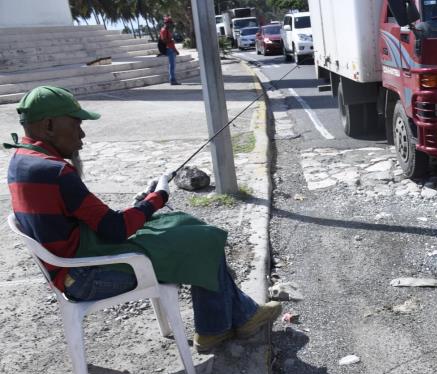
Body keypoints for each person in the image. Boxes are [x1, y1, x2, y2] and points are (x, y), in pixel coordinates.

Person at [5, 85, 282, 352]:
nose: (82, 134)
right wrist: (159, 196)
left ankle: (238, 318)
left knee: (187, 226)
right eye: (75, 124)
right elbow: (115, 229)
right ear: (49, 125)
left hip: (72, 263)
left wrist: (142, 204)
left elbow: (86, 216)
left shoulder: (23, 159)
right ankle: (216, 328)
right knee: (203, 239)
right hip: (86, 276)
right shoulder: (54, 172)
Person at [159, 15, 180, 85]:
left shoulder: (166, 30)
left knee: (172, 65)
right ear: (167, 23)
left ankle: (173, 79)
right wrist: (171, 40)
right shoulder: (164, 30)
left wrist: (176, 50)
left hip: (171, 49)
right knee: (172, 66)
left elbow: (170, 42)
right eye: (170, 23)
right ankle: (172, 80)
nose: (171, 25)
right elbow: (164, 41)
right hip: (169, 49)